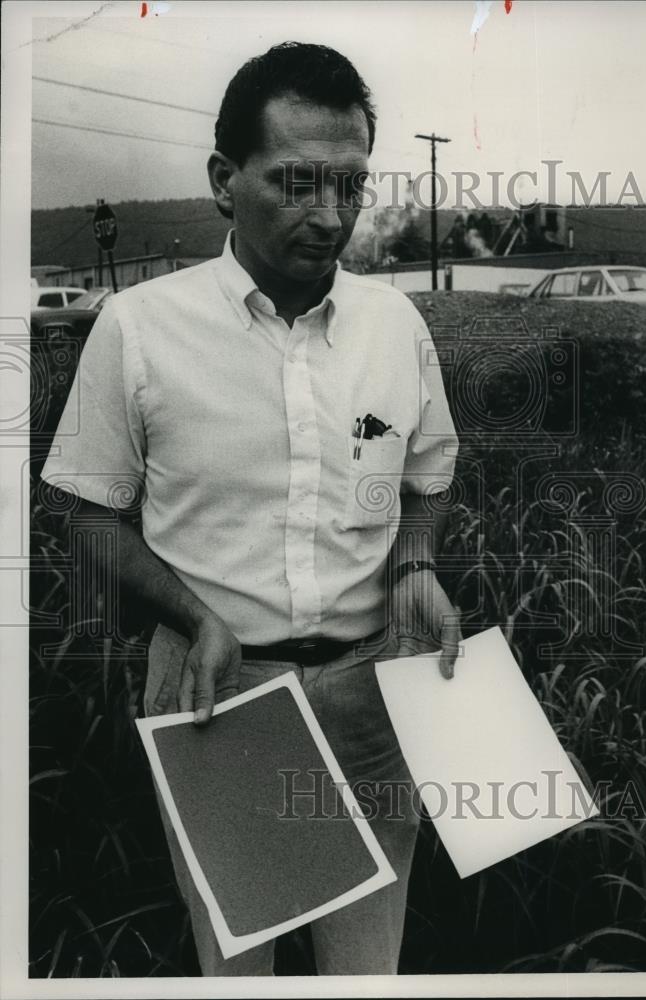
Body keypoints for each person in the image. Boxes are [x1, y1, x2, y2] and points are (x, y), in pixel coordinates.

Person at [41, 41, 460, 976]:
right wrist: (196, 619)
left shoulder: (398, 327)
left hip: (371, 692)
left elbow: (428, 476)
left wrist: (415, 565)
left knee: (368, 966)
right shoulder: (139, 328)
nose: (331, 214)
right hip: (217, 699)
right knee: (239, 973)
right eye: (297, 183)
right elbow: (88, 516)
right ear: (225, 180)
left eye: (351, 186)